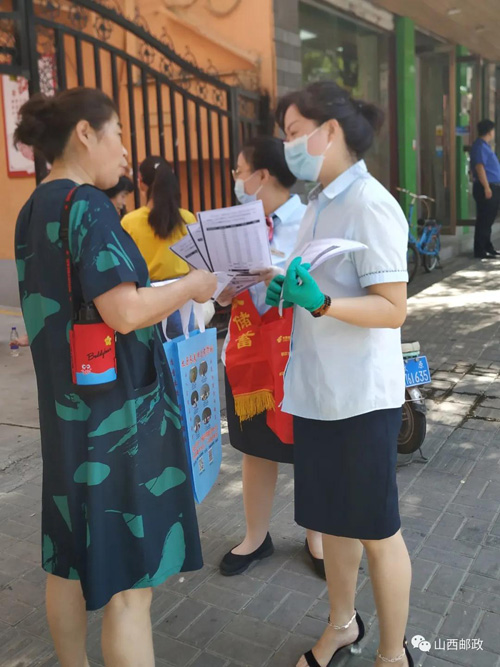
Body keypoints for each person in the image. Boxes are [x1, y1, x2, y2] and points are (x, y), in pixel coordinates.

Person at [14, 87, 216, 667]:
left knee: (66, 562)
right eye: (119, 134)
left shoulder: (34, 208)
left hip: (65, 417)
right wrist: (192, 285)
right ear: (86, 133)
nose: (126, 151)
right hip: (117, 419)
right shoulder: (91, 206)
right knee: (131, 588)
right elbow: (123, 311)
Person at [267, 81, 413, 667]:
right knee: (334, 523)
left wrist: (323, 304)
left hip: (362, 398)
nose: (288, 146)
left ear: (330, 131)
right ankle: (342, 625)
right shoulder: (318, 204)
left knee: (377, 531)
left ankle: (393, 654)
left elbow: (393, 308)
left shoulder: (370, 204)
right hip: (318, 392)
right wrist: (287, 289)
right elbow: (314, 280)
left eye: (294, 132)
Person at [217, 136, 325, 578]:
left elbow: (323, 283)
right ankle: (256, 537)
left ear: (262, 176)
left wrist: (276, 274)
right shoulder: (235, 226)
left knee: (311, 448)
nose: (236, 180)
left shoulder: (311, 219)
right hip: (248, 358)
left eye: (239, 171)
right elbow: (220, 292)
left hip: (298, 355)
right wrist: (222, 285)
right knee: (255, 449)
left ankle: (317, 537)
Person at [121, 156, 197, 339]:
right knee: (183, 353)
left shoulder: (129, 222)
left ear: (141, 182)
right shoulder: (187, 218)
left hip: (146, 299)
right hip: (182, 298)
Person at [470, 119, 500, 259]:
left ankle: (487, 246)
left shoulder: (485, 146)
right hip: (486, 187)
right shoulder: (480, 146)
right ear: (489, 131)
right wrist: (487, 187)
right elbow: (480, 167)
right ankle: (480, 249)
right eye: (493, 130)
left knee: (489, 219)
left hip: (492, 186)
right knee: (484, 219)